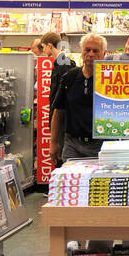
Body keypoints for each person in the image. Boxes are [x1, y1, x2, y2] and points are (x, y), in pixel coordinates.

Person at [50, 33, 107, 165]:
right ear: (81, 52)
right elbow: (58, 111)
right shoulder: (70, 77)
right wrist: (53, 142)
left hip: (100, 146)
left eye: (95, 51)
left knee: (96, 185)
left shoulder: (111, 81)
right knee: (70, 184)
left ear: (104, 54)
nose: (91, 54)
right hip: (72, 145)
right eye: (87, 50)